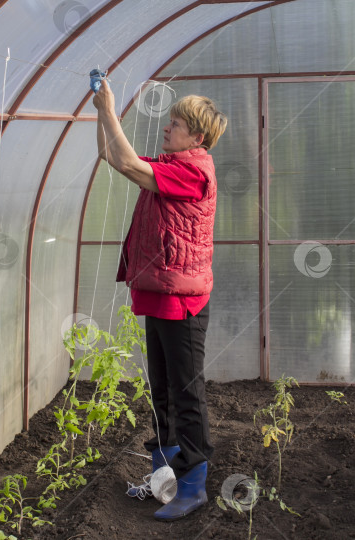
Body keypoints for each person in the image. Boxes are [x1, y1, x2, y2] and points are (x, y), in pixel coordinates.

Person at [92, 77, 227, 521]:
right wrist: (100, 110)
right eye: (170, 121)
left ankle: (193, 487)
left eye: (177, 123)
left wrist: (112, 108)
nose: (167, 128)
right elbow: (113, 157)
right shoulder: (173, 164)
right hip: (160, 293)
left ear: (198, 136)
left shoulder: (192, 171)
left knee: (188, 395)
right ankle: (164, 481)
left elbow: (129, 165)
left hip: (183, 302)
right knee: (162, 392)